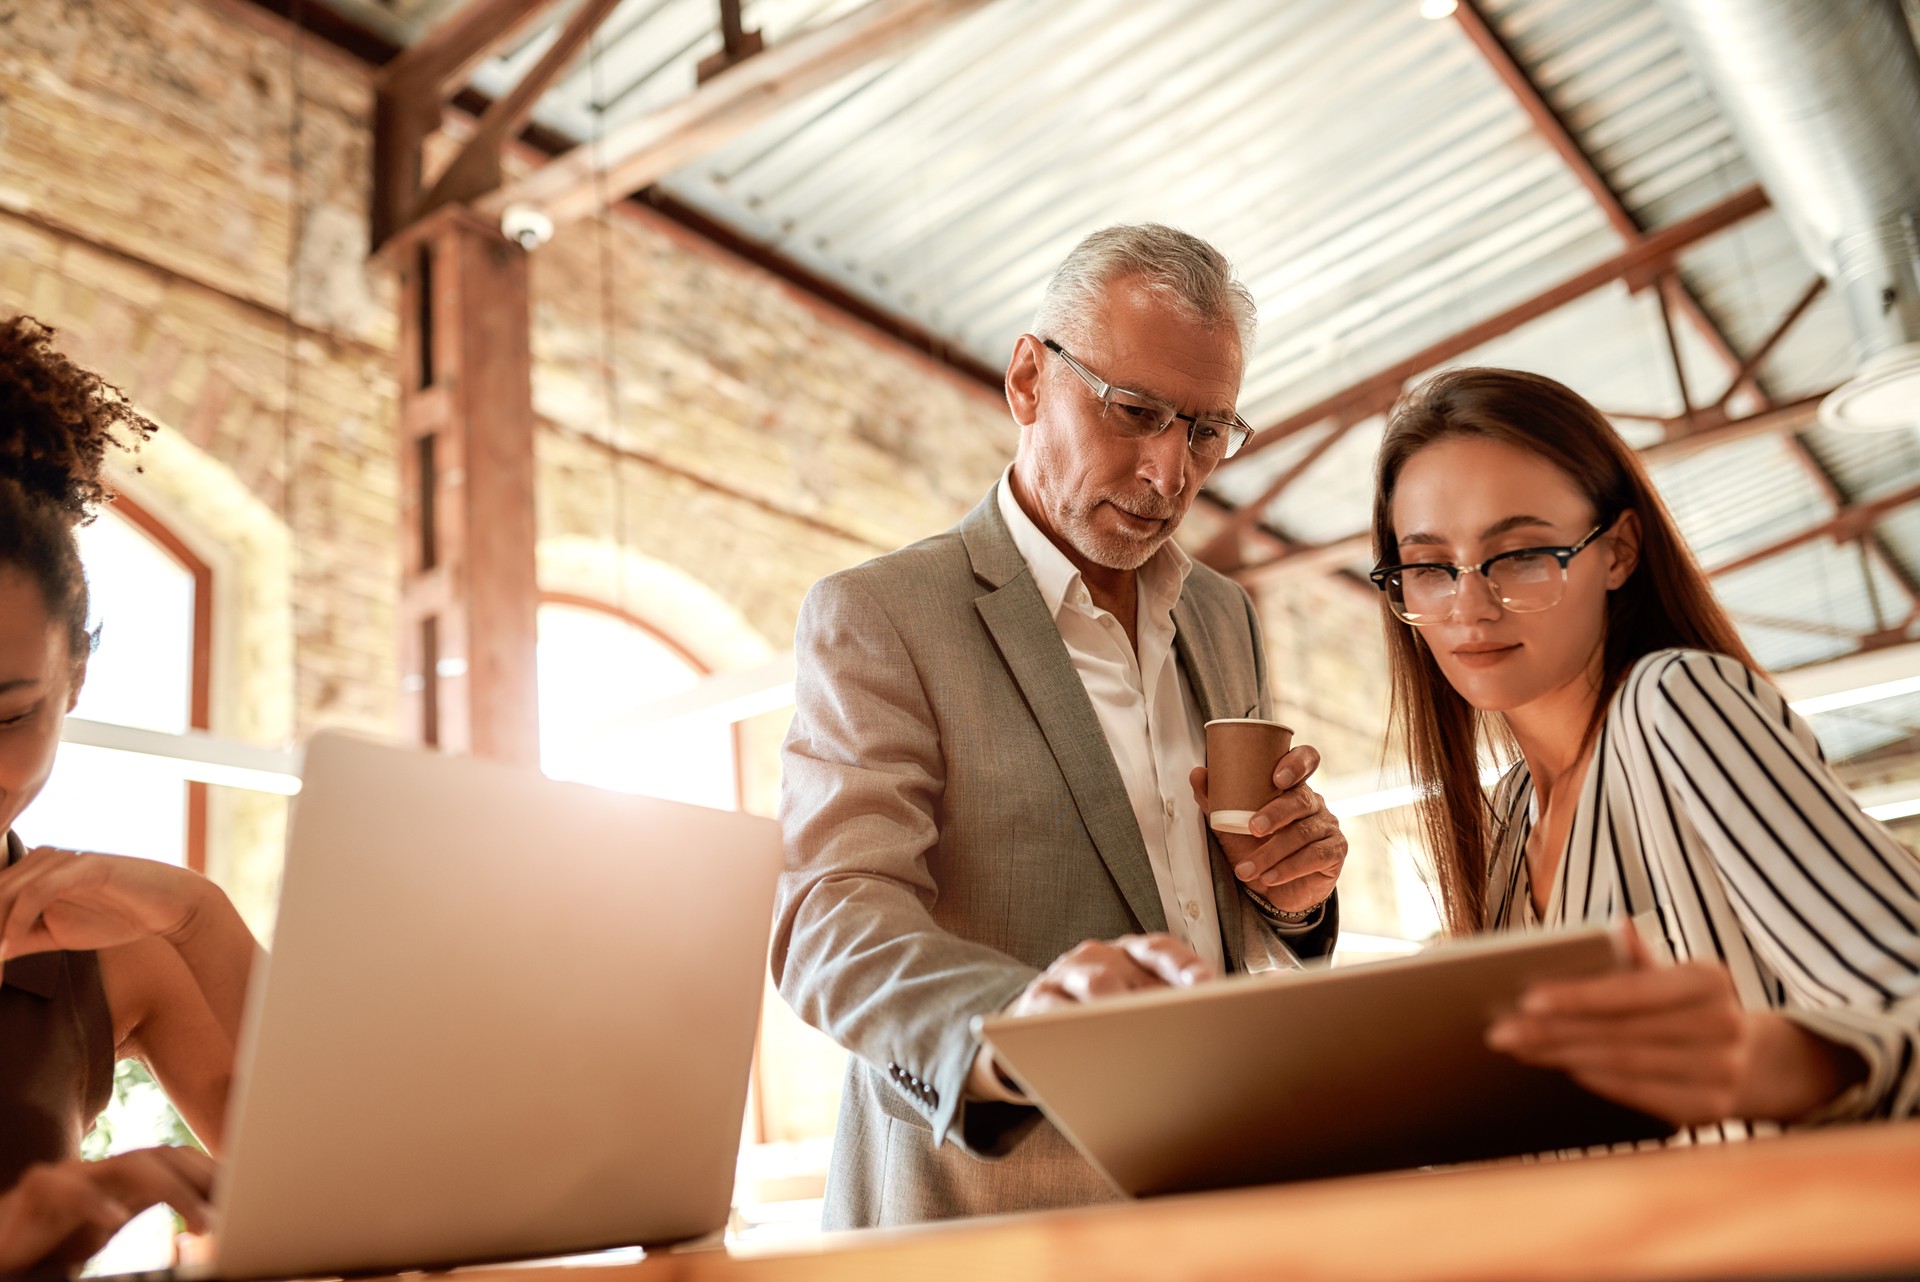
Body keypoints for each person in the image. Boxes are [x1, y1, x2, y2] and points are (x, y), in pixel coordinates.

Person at [776, 225, 1350, 1228]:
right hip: (989, 1222)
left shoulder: (1222, 615)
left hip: (1220, 1206)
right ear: (1029, 381)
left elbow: (1205, 907)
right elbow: (831, 916)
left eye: (1208, 432)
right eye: (1134, 412)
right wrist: (1017, 1026)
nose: (1171, 474)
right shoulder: (884, 615)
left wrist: (1295, 899)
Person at [1368, 366, 1920, 1137]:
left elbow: (1909, 989)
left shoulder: (1676, 704)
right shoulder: (1510, 817)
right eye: (1429, 568)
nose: (1468, 606)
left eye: (1523, 554)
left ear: (1619, 551)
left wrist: (1781, 1061)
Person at [0, 314, 260, 1270]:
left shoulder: (103, 961)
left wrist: (200, 919)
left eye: (7, 718)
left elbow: (360, 1184)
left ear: (74, 685)